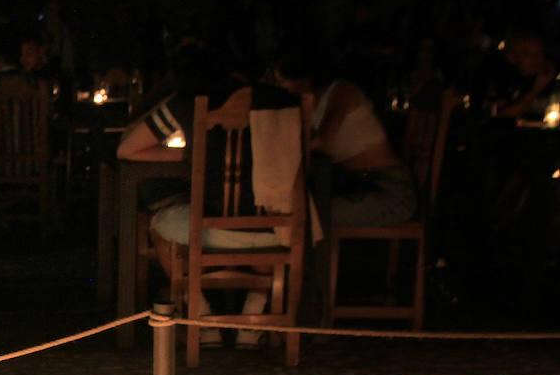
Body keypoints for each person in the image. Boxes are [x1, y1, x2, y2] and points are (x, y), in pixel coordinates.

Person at [117, 49, 292, 345]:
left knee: (160, 225)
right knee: (259, 229)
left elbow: (127, 150)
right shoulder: (284, 103)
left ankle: (203, 316)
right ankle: (252, 318)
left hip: (213, 231)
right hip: (279, 229)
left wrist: (192, 154)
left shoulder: (188, 103)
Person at [270, 52, 415, 228]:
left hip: (391, 191)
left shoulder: (341, 92)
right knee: (294, 207)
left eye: (280, 81)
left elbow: (322, 139)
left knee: (310, 214)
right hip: (359, 186)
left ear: (301, 79)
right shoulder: (311, 108)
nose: (277, 87)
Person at [494, 30, 557, 119]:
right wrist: (535, 90)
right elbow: (500, 118)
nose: (536, 59)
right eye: (527, 54)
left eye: (539, 53)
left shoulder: (554, 78)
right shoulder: (505, 80)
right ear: (512, 57)